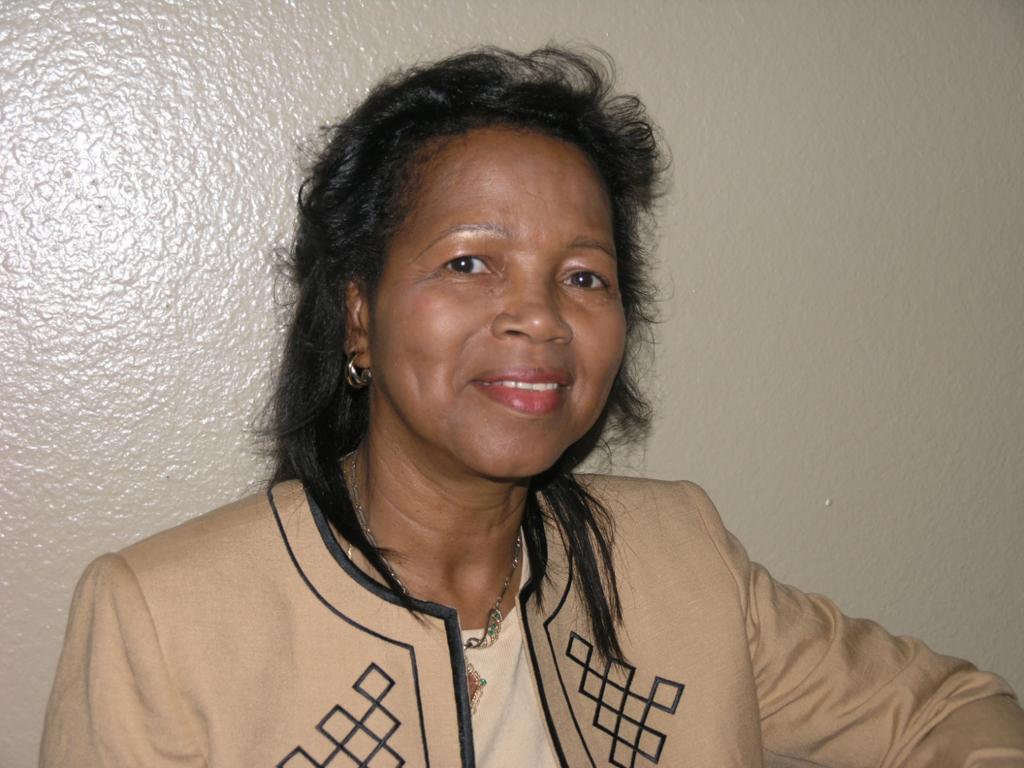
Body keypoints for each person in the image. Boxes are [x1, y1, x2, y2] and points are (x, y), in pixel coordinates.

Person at [40, 46, 1024, 767]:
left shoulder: (680, 561)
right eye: (470, 263)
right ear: (358, 315)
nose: (541, 316)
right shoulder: (164, 620)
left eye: (584, 276)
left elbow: (950, 713)